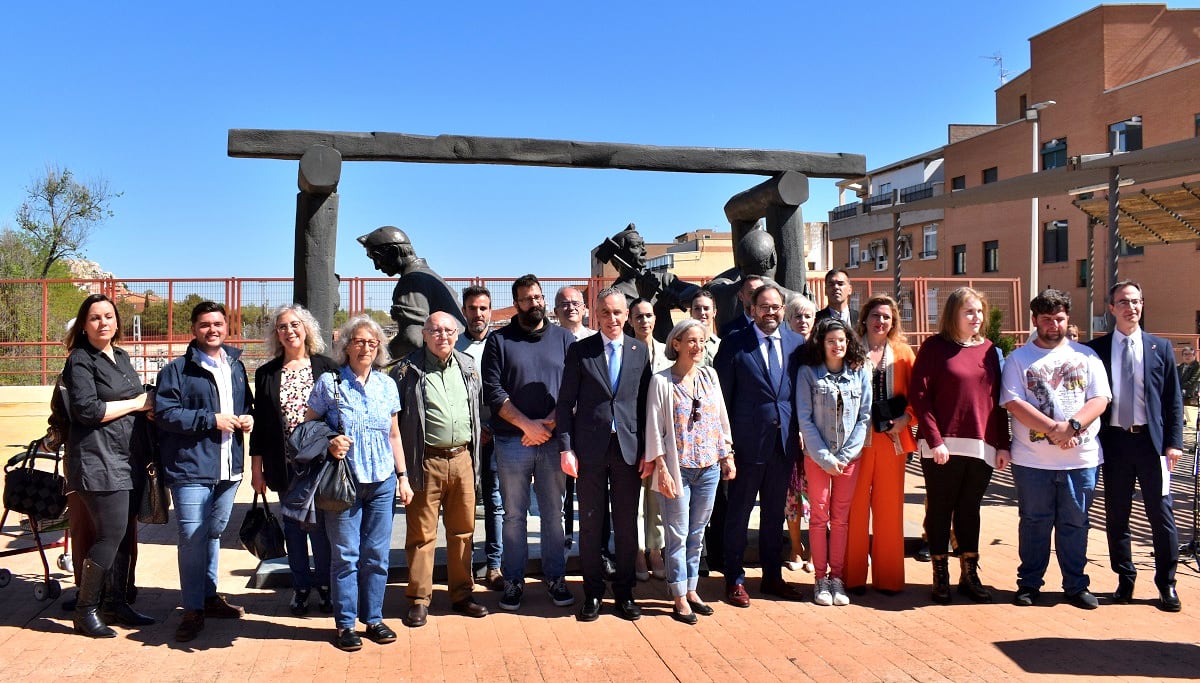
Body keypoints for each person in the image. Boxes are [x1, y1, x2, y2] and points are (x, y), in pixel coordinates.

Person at [306, 316, 413, 651]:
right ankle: (345, 624)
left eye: (372, 342)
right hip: (344, 483)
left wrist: (403, 477)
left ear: (378, 347)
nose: (366, 347)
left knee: (377, 555)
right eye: (359, 341)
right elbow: (306, 428)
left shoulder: (387, 385)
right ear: (346, 345)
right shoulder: (330, 384)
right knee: (346, 556)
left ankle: (375, 619)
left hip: (381, 481)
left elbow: (394, 434)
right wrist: (330, 442)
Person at [1001, 289, 1110, 610]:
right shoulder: (1018, 359)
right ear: (1035, 320)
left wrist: (1072, 427)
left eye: (1059, 319)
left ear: (1067, 320)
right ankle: (1029, 584)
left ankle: (1076, 585)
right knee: (1034, 522)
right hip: (1032, 460)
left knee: (1075, 523)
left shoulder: (1086, 356)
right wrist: (1054, 430)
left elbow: (1099, 399)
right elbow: (1013, 402)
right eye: (1046, 319)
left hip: (1082, 459)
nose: (1053, 325)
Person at [156, 301, 254, 642]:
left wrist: (247, 417)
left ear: (227, 326)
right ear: (194, 330)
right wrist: (209, 420)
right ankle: (192, 609)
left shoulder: (237, 365)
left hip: (229, 467)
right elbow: (165, 413)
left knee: (212, 533)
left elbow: (246, 405)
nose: (212, 330)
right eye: (204, 325)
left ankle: (208, 597)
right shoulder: (177, 370)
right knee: (192, 538)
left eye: (218, 323)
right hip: (191, 468)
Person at [909, 287, 1011, 604]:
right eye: (969, 311)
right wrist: (935, 439)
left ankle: (970, 574)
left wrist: (1003, 445)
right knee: (940, 509)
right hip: (942, 447)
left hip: (981, 446)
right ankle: (941, 576)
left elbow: (1000, 403)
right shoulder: (934, 348)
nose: (976, 317)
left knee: (969, 510)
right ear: (953, 314)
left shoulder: (991, 351)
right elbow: (920, 398)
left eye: (979, 311)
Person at [62, 294, 156, 637]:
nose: (103, 323)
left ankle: (117, 603)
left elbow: (136, 399)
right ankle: (86, 610)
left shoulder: (121, 356)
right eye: (95, 318)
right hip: (98, 460)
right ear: (84, 326)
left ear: (117, 322)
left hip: (128, 457)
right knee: (111, 534)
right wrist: (135, 403)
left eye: (108, 316)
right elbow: (88, 411)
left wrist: (148, 404)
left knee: (123, 535)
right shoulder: (80, 361)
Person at [481, 274, 577, 612]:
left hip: (551, 440)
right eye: (526, 299)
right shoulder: (499, 341)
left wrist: (547, 424)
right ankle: (513, 580)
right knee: (513, 516)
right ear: (516, 302)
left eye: (537, 297)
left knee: (553, 516)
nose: (533, 303)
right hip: (512, 442)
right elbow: (493, 391)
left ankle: (555, 577)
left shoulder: (565, 339)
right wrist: (526, 425)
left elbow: (572, 389)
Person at [1087, 281, 1184, 612]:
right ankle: (1124, 578)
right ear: (1111, 308)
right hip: (1114, 443)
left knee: (1161, 514)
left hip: (1151, 446)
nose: (1131, 307)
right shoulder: (1095, 351)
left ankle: (1166, 584)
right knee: (1116, 515)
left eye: (1136, 301)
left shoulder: (1161, 348)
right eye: (1124, 302)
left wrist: (1173, 443)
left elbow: (1173, 400)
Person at [556, 288, 652, 622]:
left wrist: (649, 452)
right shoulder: (581, 351)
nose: (612, 319)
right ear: (596, 315)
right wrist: (566, 448)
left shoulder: (640, 352)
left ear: (626, 315)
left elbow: (645, 406)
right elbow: (565, 403)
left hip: (628, 450)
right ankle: (593, 593)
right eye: (606, 313)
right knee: (592, 524)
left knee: (626, 525)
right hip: (589, 451)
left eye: (618, 313)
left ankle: (625, 594)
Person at [392, 312, 488, 627]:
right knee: (421, 534)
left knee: (463, 531)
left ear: (457, 333)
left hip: (463, 459)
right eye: (435, 330)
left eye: (448, 330)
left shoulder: (469, 367)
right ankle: (419, 599)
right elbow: (394, 422)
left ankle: (462, 594)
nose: (442, 336)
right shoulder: (406, 370)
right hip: (425, 460)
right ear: (424, 333)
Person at [714, 283, 806, 607]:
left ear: (783, 309)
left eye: (776, 307)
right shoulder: (734, 345)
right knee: (738, 515)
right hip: (747, 446)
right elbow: (721, 399)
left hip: (783, 447)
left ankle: (772, 577)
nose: (770, 312)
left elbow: (799, 394)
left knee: (773, 516)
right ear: (752, 310)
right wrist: (724, 448)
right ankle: (734, 579)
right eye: (764, 307)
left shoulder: (797, 344)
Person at [643, 319, 736, 624]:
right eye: (691, 341)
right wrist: (662, 469)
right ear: (676, 344)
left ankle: (693, 588)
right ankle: (678, 594)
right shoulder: (662, 381)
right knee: (677, 534)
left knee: (697, 533)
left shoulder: (710, 376)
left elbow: (720, 419)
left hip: (708, 467)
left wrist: (727, 455)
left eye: (702, 341)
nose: (697, 347)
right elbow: (654, 429)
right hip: (677, 468)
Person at [250, 304, 338, 617]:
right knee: (294, 528)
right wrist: (256, 469)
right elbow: (260, 425)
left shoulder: (327, 367)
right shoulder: (266, 374)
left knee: (321, 528)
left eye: (295, 325)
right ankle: (301, 588)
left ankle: (325, 585)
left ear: (307, 329)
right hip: (283, 465)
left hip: (320, 465)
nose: (290, 331)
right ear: (277, 334)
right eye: (283, 327)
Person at [842, 296, 917, 595]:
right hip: (856, 443)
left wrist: (907, 418)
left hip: (892, 442)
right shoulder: (850, 349)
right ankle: (852, 577)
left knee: (889, 511)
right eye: (876, 315)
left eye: (887, 317)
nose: (881, 321)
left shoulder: (903, 353)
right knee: (855, 510)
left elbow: (919, 395)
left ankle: (888, 578)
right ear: (865, 318)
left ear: (894, 321)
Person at [795, 318, 871, 607]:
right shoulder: (808, 374)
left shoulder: (858, 373)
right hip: (817, 458)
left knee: (840, 519)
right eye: (831, 341)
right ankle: (819, 579)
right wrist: (825, 458)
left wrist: (845, 455)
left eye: (842, 340)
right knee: (819, 516)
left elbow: (864, 417)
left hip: (849, 459)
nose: (837, 345)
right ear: (821, 344)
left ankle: (836, 578)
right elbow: (805, 419)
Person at [455, 285, 505, 591]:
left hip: (496, 436)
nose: (478, 314)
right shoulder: (453, 346)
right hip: (464, 438)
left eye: (483, 308)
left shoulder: (500, 344)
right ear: (464, 312)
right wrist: (474, 426)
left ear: (491, 311)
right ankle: (464, 566)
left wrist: (493, 425)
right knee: (463, 503)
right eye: (472, 308)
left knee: (495, 501)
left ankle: (495, 564)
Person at [358, 225, 467, 360]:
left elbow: (411, 339)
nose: (376, 266)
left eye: (377, 257)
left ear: (393, 252)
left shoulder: (411, 281)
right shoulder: (429, 275)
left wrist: (378, 356)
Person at [628, 299, 669, 581]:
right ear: (630, 320)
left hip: (661, 437)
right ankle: (636, 551)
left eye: (649, 315)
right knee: (631, 499)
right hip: (632, 436)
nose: (644, 321)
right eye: (638, 316)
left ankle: (656, 550)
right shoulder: (626, 352)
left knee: (656, 499)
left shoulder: (668, 353)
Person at [783, 294, 817, 573]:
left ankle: (817, 551)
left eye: (807, 316)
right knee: (792, 494)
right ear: (788, 319)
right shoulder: (783, 350)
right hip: (790, 432)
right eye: (797, 316)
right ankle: (796, 548)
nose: (802, 320)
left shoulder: (820, 350)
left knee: (816, 495)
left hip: (818, 434)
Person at [689, 290, 720, 367]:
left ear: (714, 312)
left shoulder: (721, 345)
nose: (702, 312)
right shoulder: (684, 345)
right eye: (697, 308)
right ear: (691, 312)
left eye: (706, 308)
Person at [1178, 345, 1199, 444]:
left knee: (1178, 396)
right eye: (1185, 354)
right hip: (1180, 391)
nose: (1187, 357)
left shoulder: (1197, 367)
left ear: (1194, 356)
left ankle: (1179, 420)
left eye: (1190, 355)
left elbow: (1192, 382)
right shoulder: (1180, 367)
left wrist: (1177, 387)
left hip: (1191, 392)